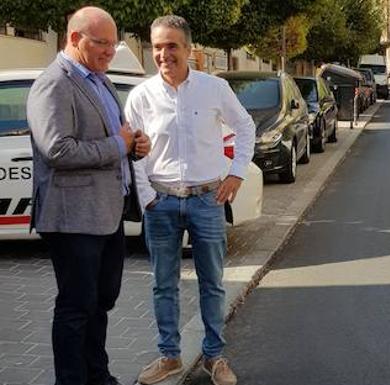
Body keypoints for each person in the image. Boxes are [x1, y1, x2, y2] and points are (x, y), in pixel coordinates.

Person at [125, 15, 255, 385]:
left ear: (188, 49)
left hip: (206, 201)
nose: (164, 54)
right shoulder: (141, 96)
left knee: (212, 282)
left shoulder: (213, 89)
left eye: (172, 46)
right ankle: (169, 357)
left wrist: (236, 173)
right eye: (158, 47)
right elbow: (134, 150)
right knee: (162, 284)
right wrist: (147, 196)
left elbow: (244, 127)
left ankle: (214, 357)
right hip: (161, 204)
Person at [27, 6, 151, 385]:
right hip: (73, 217)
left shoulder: (100, 79)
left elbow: (117, 134)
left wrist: (134, 146)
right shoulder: (54, 84)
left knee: (101, 301)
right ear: (75, 38)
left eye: (114, 45)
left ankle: (98, 375)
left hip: (105, 213)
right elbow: (58, 150)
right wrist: (119, 144)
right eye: (102, 44)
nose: (109, 52)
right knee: (76, 307)